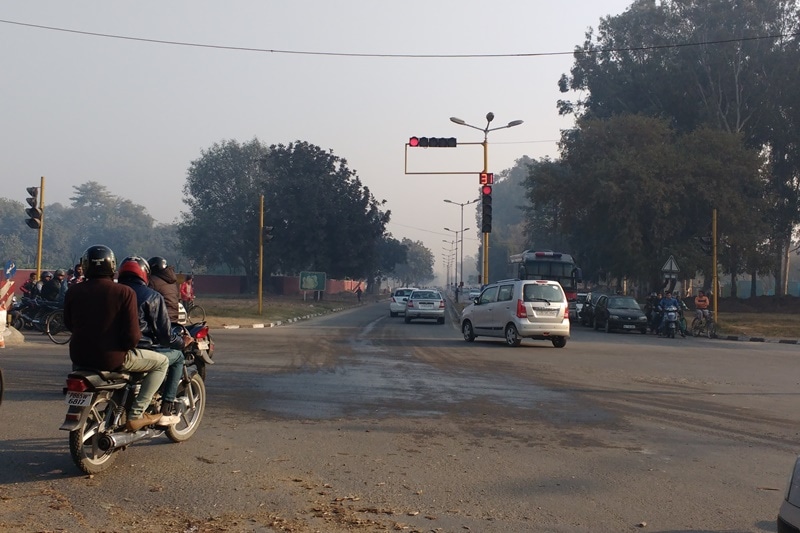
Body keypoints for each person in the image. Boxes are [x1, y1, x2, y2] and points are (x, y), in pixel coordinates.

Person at [63, 245, 168, 431]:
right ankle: (137, 413)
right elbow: (133, 335)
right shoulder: (124, 293)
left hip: (79, 358)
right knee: (162, 363)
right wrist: (125, 347)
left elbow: (69, 324)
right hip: (113, 359)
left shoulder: (73, 291)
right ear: (112, 266)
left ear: (85, 266)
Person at [118, 256, 189, 424]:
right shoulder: (154, 292)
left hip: (104, 349)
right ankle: (162, 407)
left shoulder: (114, 292)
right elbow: (164, 335)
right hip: (141, 346)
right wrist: (181, 342)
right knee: (174, 358)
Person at [148, 256, 181, 323]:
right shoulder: (172, 282)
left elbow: (146, 298)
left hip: (160, 321)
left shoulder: (152, 281)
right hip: (174, 318)